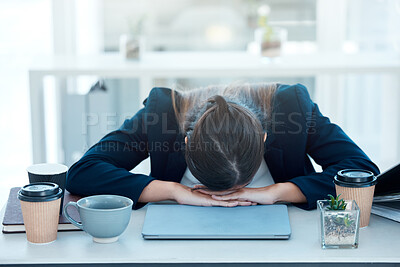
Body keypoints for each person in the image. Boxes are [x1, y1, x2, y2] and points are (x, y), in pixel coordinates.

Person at [66, 83, 380, 210]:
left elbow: (361, 172)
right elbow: (83, 172)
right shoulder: (162, 114)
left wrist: (275, 192)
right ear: (185, 143)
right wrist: (174, 191)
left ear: (265, 140)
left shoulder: (293, 109)